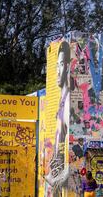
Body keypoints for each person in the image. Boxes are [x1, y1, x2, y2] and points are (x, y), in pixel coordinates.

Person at [44, 41, 71, 189]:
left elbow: (74, 148)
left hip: (63, 185)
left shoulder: (68, 103)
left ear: (68, 66)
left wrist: (62, 178)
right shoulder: (61, 101)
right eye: (56, 66)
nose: (58, 71)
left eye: (61, 64)